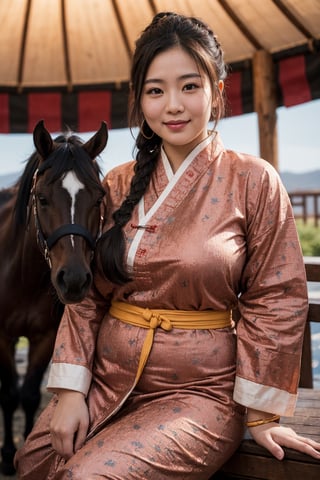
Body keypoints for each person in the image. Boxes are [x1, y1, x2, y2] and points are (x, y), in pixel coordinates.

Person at [15, 11, 320, 479]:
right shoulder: (115, 185)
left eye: (190, 87)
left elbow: (276, 298)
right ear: (139, 101)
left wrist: (261, 414)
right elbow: (88, 299)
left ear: (217, 91)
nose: (173, 105)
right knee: (33, 460)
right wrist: (72, 390)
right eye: (156, 91)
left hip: (200, 392)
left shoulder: (253, 180)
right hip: (108, 379)